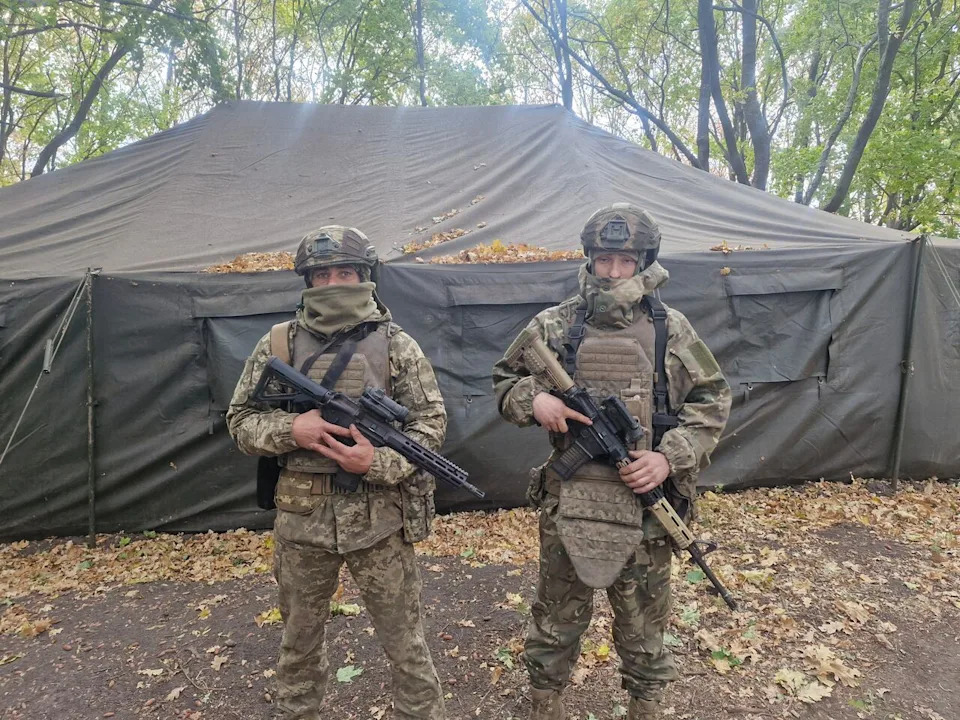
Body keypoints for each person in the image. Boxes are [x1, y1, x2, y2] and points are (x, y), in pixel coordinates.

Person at [492, 204, 731, 720]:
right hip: (570, 503)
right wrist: (533, 400)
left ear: (644, 261)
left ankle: (643, 708)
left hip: (646, 510)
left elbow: (712, 402)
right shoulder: (555, 324)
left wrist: (668, 460)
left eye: (626, 260)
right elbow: (504, 381)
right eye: (605, 260)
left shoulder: (672, 328)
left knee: (644, 633)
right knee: (555, 624)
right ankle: (544, 705)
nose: (615, 271)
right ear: (590, 260)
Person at [227, 226, 447, 720]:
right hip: (301, 521)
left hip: (381, 523)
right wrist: (292, 429)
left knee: (407, 648)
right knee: (298, 648)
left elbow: (430, 426)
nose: (332, 284)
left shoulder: (397, 346)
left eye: (344, 273)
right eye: (321, 275)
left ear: (364, 277)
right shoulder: (278, 344)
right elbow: (239, 422)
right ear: (307, 280)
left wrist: (379, 462)